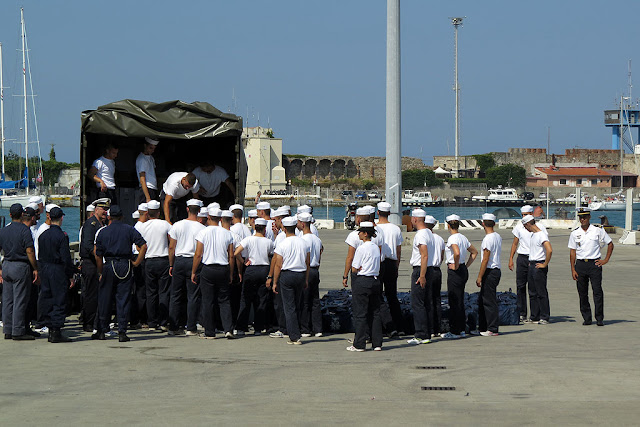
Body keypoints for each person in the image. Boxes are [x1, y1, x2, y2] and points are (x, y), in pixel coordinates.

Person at [93, 205, 147, 342]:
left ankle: (102, 330)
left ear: (109, 217)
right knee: (123, 299)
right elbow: (144, 246)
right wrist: (136, 263)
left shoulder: (103, 232)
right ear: (122, 217)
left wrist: (100, 271)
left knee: (105, 299)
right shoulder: (129, 229)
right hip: (125, 265)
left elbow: (97, 255)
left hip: (109, 265)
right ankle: (122, 332)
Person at [192, 207, 235, 339]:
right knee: (224, 300)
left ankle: (210, 332)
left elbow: (198, 254)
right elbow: (231, 256)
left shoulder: (203, 233)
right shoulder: (227, 233)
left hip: (208, 268)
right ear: (220, 219)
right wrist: (231, 273)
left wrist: (194, 271)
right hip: (223, 268)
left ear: (209, 218)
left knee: (208, 301)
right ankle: (228, 329)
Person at [568, 208, 614, 326]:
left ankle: (599, 318)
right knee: (582, 293)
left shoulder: (597, 230)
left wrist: (605, 260)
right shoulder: (575, 233)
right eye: (580, 217)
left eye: (584, 217)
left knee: (597, 291)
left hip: (594, 264)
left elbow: (610, 244)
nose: (582, 219)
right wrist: (573, 269)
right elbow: (572, 251)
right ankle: (587, 318)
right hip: (581, 265)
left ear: (589, 217)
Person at [0, 204, 39, 340]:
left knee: (7, 300)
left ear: (10, 215)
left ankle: (8, 329)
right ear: (22, 214)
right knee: (20, 299)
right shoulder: (24, 230)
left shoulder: (3, 230)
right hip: (20, 265)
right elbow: (29, 251)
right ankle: (18, 331)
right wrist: (35, 268)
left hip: (6, 265)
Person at [37, 207, 75, 343]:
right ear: (61, 218)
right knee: (59, 298)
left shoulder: (42, 235)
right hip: (57, 269)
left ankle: (48, 326)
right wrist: (70, 275)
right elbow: (65, 258)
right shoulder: (61, 236)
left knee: (47, 297)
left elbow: (40, 254)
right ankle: (56, 331)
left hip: (45, 268)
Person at [168, 199, 205, 336]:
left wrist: (171, 264)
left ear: (187, 209)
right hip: (193, 261)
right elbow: (201, 251)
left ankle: (173, 326)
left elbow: (172, 247)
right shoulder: (202, 228)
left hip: (179, 260)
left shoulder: (177, 225)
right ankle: (191, 327)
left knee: (176, 295)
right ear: (199, 211)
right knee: (193, 295)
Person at [272, 216, 310, 345]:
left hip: (287, 275)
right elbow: (307, 262)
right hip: (300, 274)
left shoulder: (282, 244)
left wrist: (275, 281)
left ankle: (294, 335)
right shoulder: (303, 242)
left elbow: (278, 264)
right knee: (297, 304)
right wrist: (306, 279)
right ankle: (297, 330)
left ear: (284, 228)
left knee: (289, 306)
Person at [346, 221, 383, 352]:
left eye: (360, 232)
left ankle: (359, 344)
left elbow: (354, 268)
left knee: (360, 313)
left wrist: (357, 269)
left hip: (363, 281)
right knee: (375, 313)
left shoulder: (362, 248)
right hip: (375, 280)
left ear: (365, 234)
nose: (359, 234)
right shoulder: (375, 247)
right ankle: (377, 343)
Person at [234, 218, 275, 336]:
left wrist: (243, 262)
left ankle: (241, 327)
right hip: (264, 269)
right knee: (261, 300)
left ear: (255, 227)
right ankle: (258, 328)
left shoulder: (248, 239)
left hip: (251, 269)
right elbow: (271, 255)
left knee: (246, 299)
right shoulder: (269, 242)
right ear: (265, 229)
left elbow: (236, 253)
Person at [508, 205, 548, 323]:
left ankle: (535, 314)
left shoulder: (539, 227)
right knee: (520, 286)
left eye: (527, 214)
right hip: (522, 257)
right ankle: (522, 313)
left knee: (533, 288)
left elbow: (545, 244)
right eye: (523, 215)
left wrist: (544, 261)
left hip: (534, 258)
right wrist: (511, 258)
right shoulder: (520, 227)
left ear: (531, 214)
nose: (524, 217)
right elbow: (515, 243)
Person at [441, 214, 478, 339]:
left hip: (455, 270)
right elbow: (474, 252)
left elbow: (456, 253)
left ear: (448, 225)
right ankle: (461, 328)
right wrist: (465, 265)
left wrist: (456, 266)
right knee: (460, 299)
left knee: (454, 300)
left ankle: (455, 330)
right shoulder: (463, 237)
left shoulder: (452, 238)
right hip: (463, 269)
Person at [139, 200, 172, 332]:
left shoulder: (143, 226)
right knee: (163, 292)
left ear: (147, 213)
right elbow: (171, 241)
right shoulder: (165, 224)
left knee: (150, 293)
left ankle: (151, 322)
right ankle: (163, 321)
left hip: (149, 261)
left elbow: (138, 244)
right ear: (159, 212)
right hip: (163, 260)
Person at [79, 198, 109, 332]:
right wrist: (100, 258)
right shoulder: (91, 225)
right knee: (91, 295)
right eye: (103, 209)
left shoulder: (101, 224)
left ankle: (96, 321)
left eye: (106, 210)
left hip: (98, 262)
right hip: (91, 263)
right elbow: (89, 246)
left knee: (97, 294)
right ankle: (89, 322)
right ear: (96, 210)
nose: (105, 212)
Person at [375, 202, 404, 335]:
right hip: (392, 263)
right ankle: (400, 326)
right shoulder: (395, 229)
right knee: (392, 296)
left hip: (380, 264)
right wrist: (397, 265)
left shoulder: (375, 228)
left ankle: (388, 326)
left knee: (378, 296)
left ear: (378, 213)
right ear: (389, 213)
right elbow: (398, 250)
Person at [407, 209, 434, 345]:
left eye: (412, 218)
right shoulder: (429, 233)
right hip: (428, 269)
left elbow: (424, 255)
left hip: (420, 270)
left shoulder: (421, 235)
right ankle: (427, 333)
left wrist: (421, 275)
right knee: (426, 303)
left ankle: (421, 335)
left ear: (415, 219)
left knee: (418, 303)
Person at [474, 213, 502, 337]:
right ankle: (484, 326)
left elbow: (485, 259)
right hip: (496, 270)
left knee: (489, 301)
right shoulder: (497, 236)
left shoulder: (488, 239)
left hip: (490, 271)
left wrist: (480, 276)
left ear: (483, 224)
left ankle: (493, 328)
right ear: (494, 224)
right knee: (484, 299)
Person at [522, 215, 553, 325]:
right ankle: (534, 316)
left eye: (525, 226)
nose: (525, 229)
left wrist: (545, 264)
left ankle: (544, 316)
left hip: (539, 264)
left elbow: (549, 250)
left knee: (541, 292)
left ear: (528, 224)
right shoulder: (533, 235)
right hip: (532, 263)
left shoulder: (541, 234)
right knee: (532, 292)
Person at [297, 212, 323, 338]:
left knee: (305, 301)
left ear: (302, 224)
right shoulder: (317, 239)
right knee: (315, 301)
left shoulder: (302, 240)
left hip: (305, 270)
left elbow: (302, 258)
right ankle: (318, 328)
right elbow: (320, 254)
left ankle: (305, 328)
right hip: (315, 270)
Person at [424, 215, 445, 338]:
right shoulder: (440, 239)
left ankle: (430, 328)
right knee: (437, 300)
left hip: (428, 269)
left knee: (428, 300)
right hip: (437, 269)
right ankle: (437, 328)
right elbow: (442, 256)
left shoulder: (426, 237)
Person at [130, 203, 149, 329]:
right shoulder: (141, 226)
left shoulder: (137, 226)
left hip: (137, 257)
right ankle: (140, 318)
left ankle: (137, 318)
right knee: (141, 290)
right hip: (140, 258)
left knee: (139, 290)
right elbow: (139, 246)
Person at [136, 137, 159, 203]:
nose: (152, 151)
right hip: (146, 189)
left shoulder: (151, 158)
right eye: (150, 148)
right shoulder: (142, 159)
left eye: (154, 148)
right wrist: (147, 197)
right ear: (145, 146)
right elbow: (142, 179)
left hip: (152, 188)